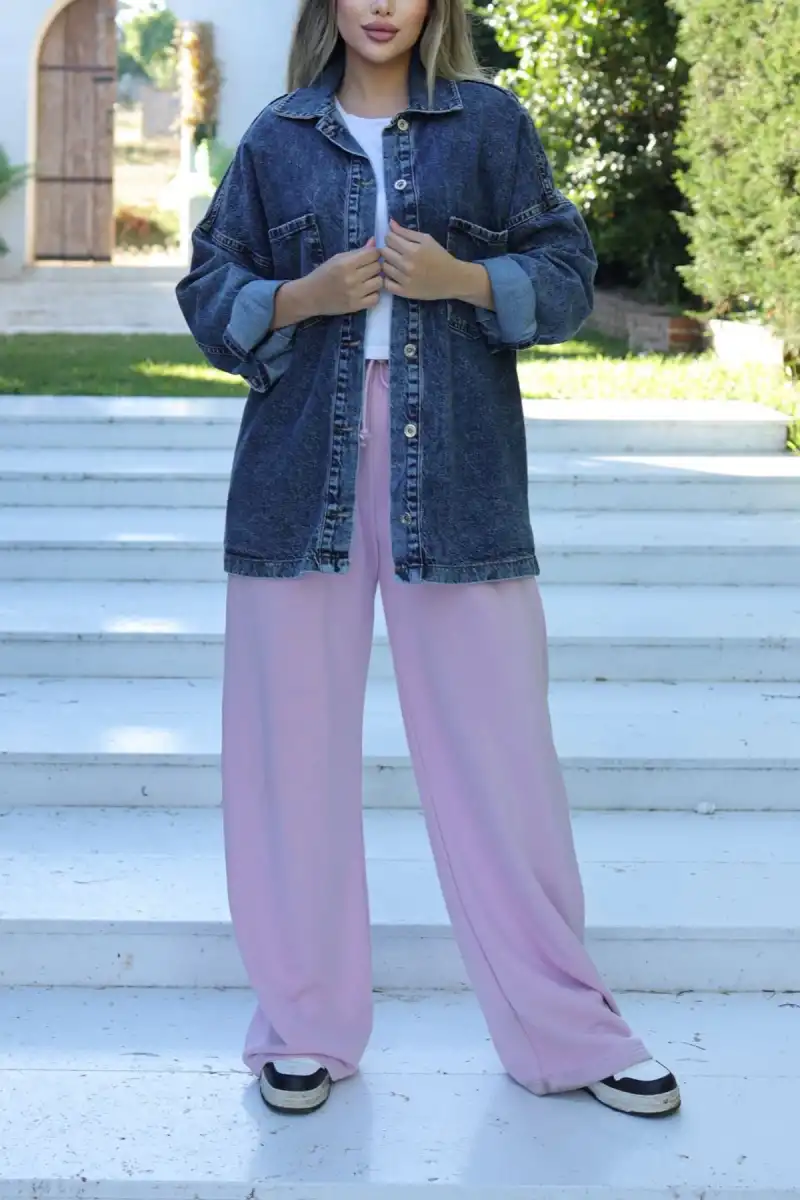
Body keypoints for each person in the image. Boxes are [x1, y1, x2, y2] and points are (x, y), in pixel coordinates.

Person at [176, 0, 681, 1120]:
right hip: (296, 479)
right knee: (288, 763)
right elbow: (208, 293)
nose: (380, 6)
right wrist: (299, 299)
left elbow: (566, 271)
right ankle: (302, 1028)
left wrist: (466, 280)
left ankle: (568, 1032)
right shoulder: (274, 137)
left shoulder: (490, 127)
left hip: (455, 474)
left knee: (503, 764)